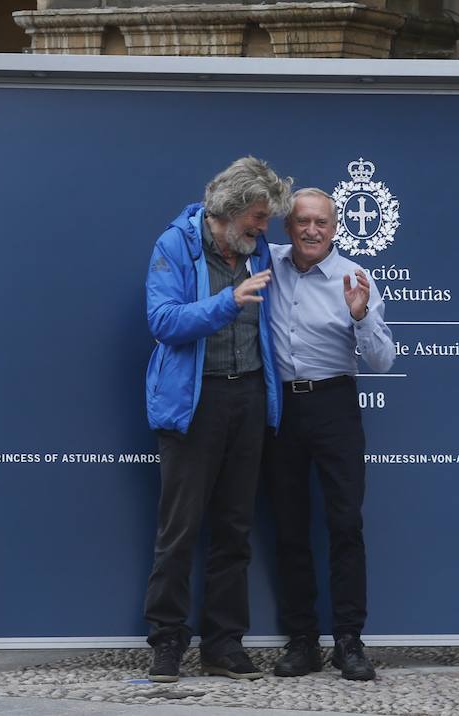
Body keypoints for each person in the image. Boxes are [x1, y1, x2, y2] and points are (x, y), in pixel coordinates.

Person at [143, 157, 292, 683]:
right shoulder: (176, 246)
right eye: (257, 216)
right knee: (179, 530)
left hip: (247, 398)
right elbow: (162, 322)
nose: (263, 227)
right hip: (193, 403)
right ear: (228, 212)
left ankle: (223, 645)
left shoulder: (261, 252)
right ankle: (166, 642)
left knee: (235, 529)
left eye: (266, 218)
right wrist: (226, 302)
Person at [264, 188, 395, 681]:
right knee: (290, 526)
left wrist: (360, 315)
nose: (312, 230)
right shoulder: (267, 262)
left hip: (335, 405)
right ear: (287, 227)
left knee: (344, 524)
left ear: (335, 228)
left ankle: (348, 641)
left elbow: (383, 360)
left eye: (321, 222)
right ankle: (302, 641)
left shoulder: (354, 277)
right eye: (302, 222)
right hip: (281, 409)